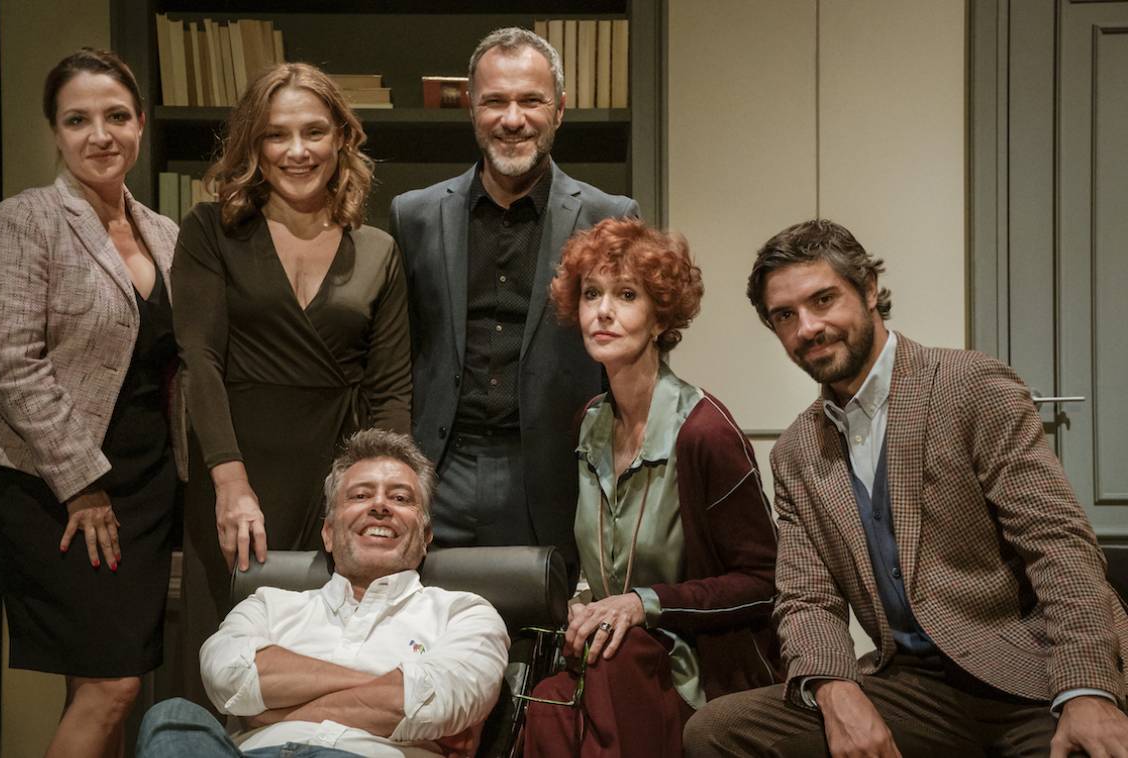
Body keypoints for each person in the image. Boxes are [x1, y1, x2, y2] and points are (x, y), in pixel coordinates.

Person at [684, 219, 1128, 757]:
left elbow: (1060, 547)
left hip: (1031, 675)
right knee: (716, 730)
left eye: (823, 299)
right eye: (785, 315)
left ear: (869, 289)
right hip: (913, 690)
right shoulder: (797, 452)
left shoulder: (970, 386)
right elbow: (806, 598)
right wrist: (835, 689)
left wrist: (1087, 689)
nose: (808, 327)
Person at [0, 48, 184, 758]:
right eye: (78, 120)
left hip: (144, 484)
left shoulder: (166, 233)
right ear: (55, 133)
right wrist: (81, 483)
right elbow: (10, 362)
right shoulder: (26, 220)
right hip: (52, 485)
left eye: (116, 116)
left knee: (102, 682)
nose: (100, 135)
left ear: (140, 123)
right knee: (112, 685)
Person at [173, 63, 412, 708]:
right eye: (276, 135)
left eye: (314, 132)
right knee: (224, 665)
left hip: (337, 484)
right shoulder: (209, 231)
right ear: (253, 144)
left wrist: (385, 496)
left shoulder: (379, 249)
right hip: (237, 473)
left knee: (328, 664)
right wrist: (230, 482)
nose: (297, 151)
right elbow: (199, 361)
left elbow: (391, 391)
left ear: (342, 139)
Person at [518, 218, 782, 757]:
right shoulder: (590, 423)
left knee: (616, 668)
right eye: (591, 294)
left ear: (660, 317)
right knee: (546, 703)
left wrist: (645, 604)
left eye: (626, 295)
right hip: (616, 660)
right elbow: (604, 567)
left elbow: (763, 581)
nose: (603, 311)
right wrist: (587, 605)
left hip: (699, 671)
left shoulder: (705, 433)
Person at [389, 27, 638, 574]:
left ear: (560, 110)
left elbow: (628, 359)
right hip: (438, 467)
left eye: (531, 101)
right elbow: (397, 352)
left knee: (542, 620)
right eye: (494, 101)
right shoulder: (414, 215)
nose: (512, 118)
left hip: (555, 470)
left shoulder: (609, 217)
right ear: (471, 109)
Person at [137, 429, 510, 758]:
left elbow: (436, 701)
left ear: (426, 537)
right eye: (360, 495)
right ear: (329, 533)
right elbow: (228, 676)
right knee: (171, 717)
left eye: (400, 498)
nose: (380, 506)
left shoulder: (466, 613)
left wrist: (270, 713)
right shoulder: (267, 604)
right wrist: (391, 684)